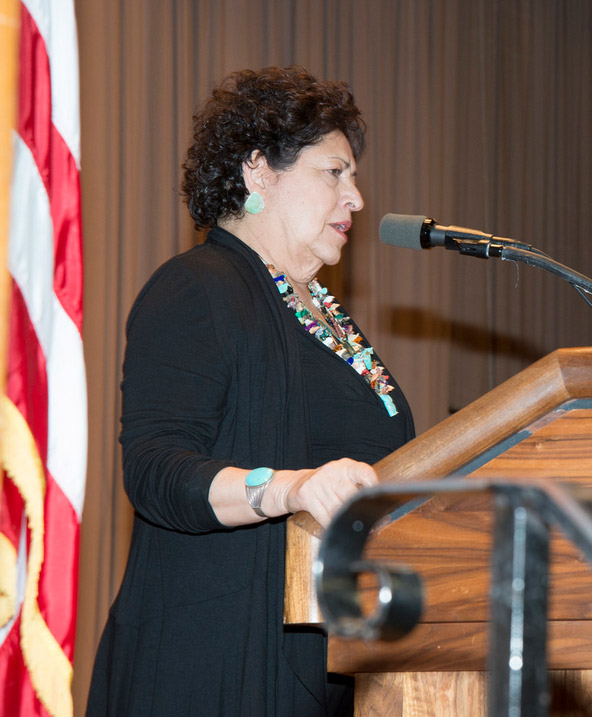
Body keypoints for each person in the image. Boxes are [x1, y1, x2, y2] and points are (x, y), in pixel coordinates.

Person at [87, 66, 415, 715]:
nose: (356, 197)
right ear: (259, 171)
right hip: (214, 666)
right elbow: (155, 470)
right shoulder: (196, 287)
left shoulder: (325, 314)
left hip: (330, 658)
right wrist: (291, 488)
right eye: (334, 173)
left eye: (352, 177)